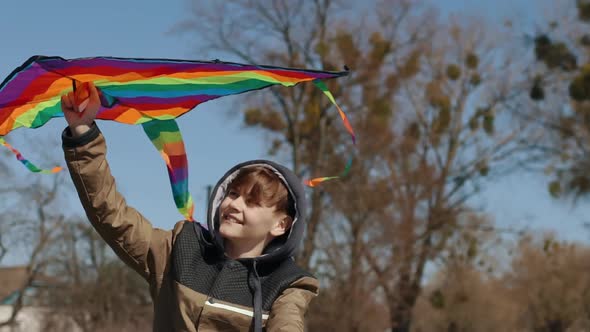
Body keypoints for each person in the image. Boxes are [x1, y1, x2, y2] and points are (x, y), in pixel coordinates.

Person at [60, 82, 318, 331]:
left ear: (281, 224)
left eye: (251, 202)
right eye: (233, 193)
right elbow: (110, 215)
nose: (234, 204)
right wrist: (83, 134)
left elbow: (287, 324)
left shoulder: (288, 284)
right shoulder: (178, 249)